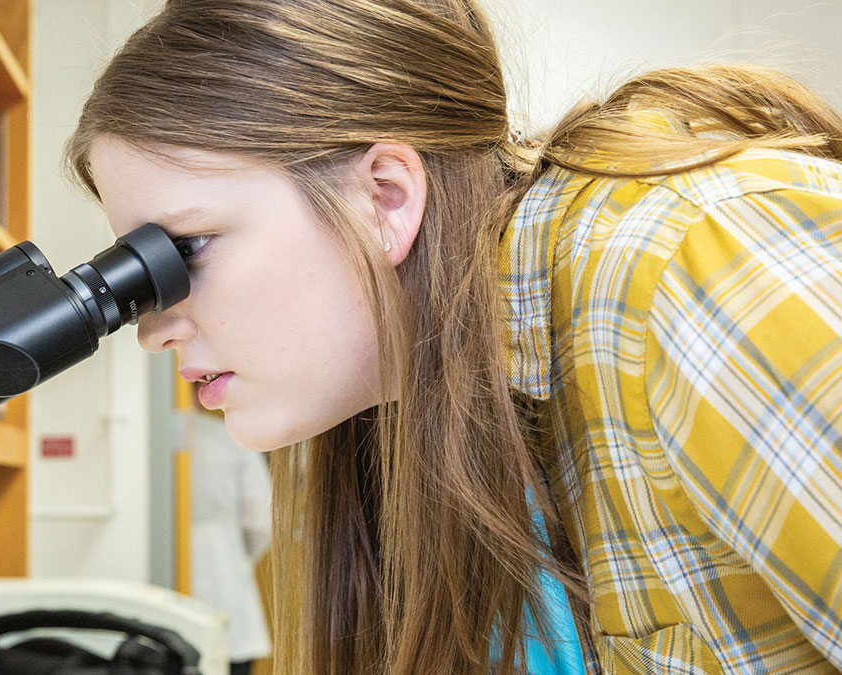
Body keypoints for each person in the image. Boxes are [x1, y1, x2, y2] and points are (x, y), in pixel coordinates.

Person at [62, 1, 842, 673]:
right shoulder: (453, 401)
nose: (153, 327)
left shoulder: (684, 269)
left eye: (185, 249)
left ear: (386, 198)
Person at [189, 401, 273, 675]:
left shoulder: (150, 440)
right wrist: (237, 554)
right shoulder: (228, 439)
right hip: (225, 567)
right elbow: (261, 520)